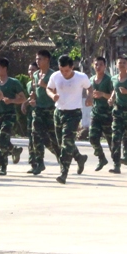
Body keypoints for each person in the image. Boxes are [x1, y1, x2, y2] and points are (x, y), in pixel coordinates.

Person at [46, 55, 91, 184]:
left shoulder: (81, 77)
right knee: (62, 143)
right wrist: (52, 95)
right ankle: (79, 157)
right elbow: (48, 88)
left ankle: (63, 172)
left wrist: (89, 98)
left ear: (72, 67)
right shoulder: (55, 76)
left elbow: (89, 87)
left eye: (66, 70)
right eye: (61, 70)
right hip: (58, 112)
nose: (64, 73)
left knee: (66, 143)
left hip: (74, 113)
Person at [28, 50, 61, 176]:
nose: (38, 61)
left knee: (54, 138)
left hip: (50, 109)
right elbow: (35, 91)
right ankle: (39, 162)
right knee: (36, 135)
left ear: (47, 60)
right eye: (37, 59)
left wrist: (44, 85)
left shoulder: (54, 75)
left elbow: (58, 91)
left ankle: (62, 160)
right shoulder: (36, 74)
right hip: (38, 109)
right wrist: (33, 98)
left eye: (40, 59)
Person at [0, 58, 25, 176]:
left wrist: (11, 100)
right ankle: (14, 150)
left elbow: (23, 98)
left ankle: (3, 165)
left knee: (3, 137)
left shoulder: (13, 82)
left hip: (9, 115)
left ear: (5, 69)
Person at [88, 56, 114, 171]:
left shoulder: (109, 80)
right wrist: (89, 98)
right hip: (95, 114)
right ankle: (101, 158)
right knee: (93, 137)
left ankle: (116, 162)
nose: (98, 67)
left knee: (111, 141)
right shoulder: (91, 79)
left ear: (105, 66)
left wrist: (103, 94)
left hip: (107, 114)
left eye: (100, 65)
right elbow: (88, 93)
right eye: (96, 64)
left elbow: (114, 96)